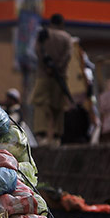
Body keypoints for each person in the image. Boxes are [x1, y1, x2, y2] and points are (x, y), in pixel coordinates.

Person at [32, 13, 73, 146]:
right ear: (62, 24)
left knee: (41, 104)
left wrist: (46, 67)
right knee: (58, 107)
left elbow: (37, 50)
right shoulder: (66, 38)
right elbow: (68, 56)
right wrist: (58, 68)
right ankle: (56, 137)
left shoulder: (43, 34)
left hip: (43, 75)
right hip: (60, 77)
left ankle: (41, 135)